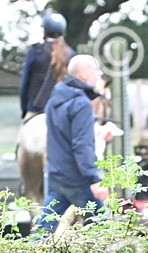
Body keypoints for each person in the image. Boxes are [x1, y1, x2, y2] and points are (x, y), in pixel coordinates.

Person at [35, 55, 105, 234]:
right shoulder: (81, 104)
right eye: (96, 69)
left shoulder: (54, 101)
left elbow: (61, 138)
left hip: (56, 175)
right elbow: (81, 145)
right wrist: (94, 179)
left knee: (45, 228)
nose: (100, 73)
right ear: (83, 73)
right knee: (103, 224)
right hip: (77, 179)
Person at [19, 12, 76, 119]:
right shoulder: (71, 54)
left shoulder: (35, 51)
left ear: (44, 30)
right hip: (62, 112)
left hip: (36, 110)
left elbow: (24, 83)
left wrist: (24, 110)